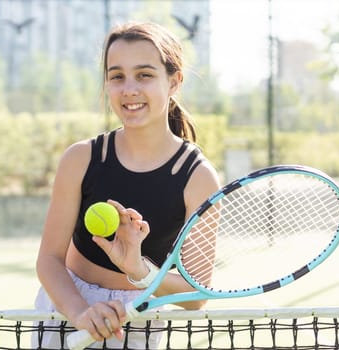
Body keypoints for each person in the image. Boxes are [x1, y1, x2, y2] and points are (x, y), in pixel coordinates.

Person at [33, 22, 220, 349]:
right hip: (66, 308)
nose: (129, 89)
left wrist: (138, 269)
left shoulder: (198, 177)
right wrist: (81, 312)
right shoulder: (80, 159)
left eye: (144, 75)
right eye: (116, 76)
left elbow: (196, 295)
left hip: (137, 319)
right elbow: (49, 260)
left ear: (174, 81)